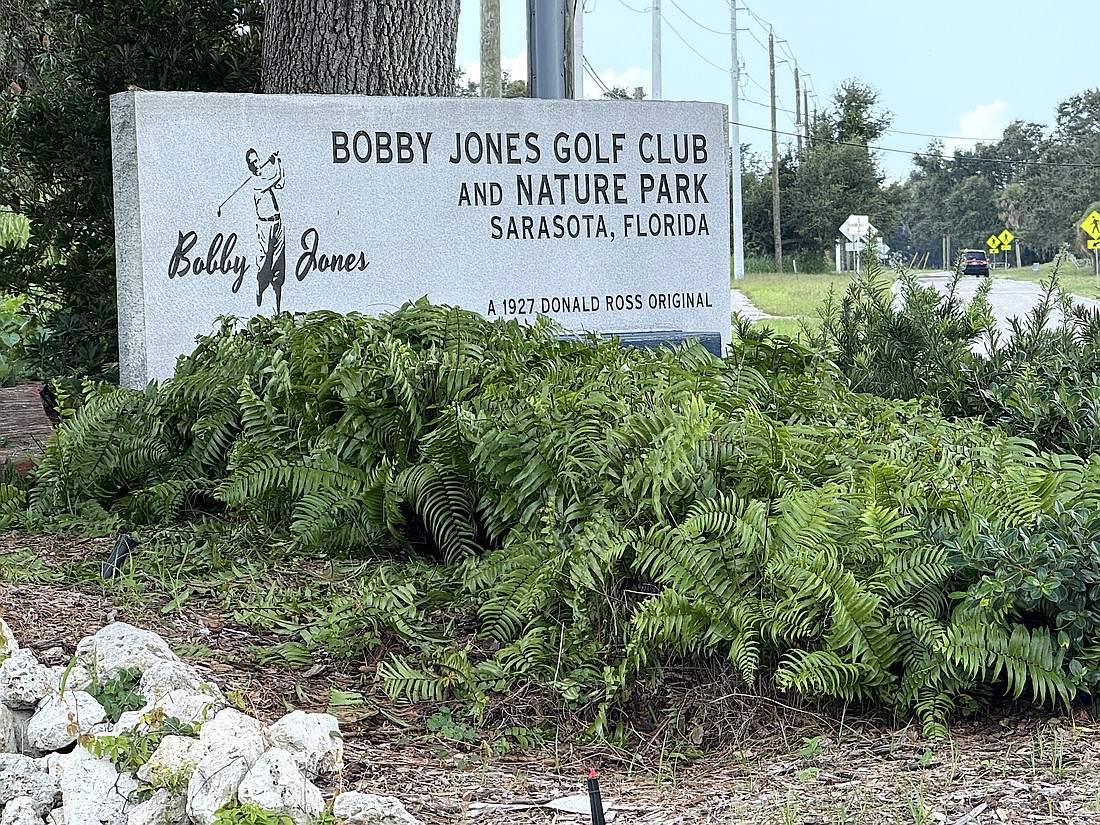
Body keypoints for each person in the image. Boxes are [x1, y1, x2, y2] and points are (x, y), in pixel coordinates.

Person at [246, 148, 286, 312]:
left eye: (257, 160)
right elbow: (276, 178)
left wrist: (279, 163)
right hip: (265, 226)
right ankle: (260, 290)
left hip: (277, 223)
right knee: (264, 264)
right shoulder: (255, 182)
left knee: (278, 262)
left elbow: (281, 182)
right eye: (252, 162)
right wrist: (275, 162)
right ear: (249, 166)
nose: (256, 164)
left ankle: (277, 304)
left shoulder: (263, 178)